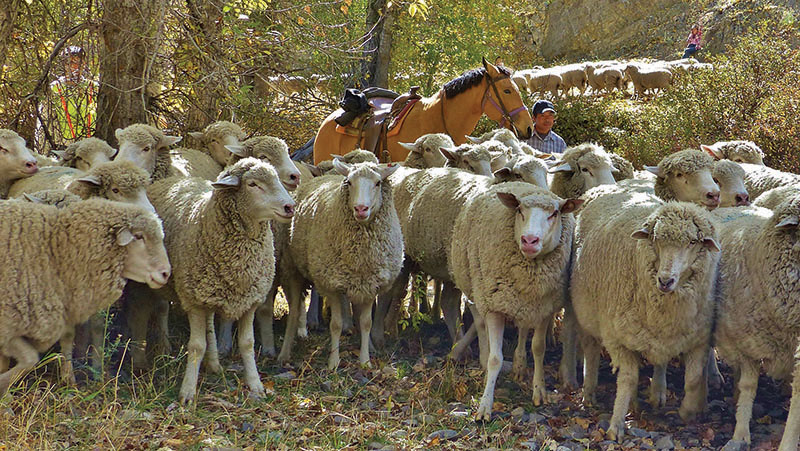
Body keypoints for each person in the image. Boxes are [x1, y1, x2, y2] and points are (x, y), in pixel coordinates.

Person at [49, 46, 97, 141]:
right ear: (64, 65)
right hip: (63, 146)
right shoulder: (55, 88)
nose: (74, 67)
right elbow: (46, 119)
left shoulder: (93, 87)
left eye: (78, 63)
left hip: (89, 145)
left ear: (84, 64)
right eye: (70, 63)